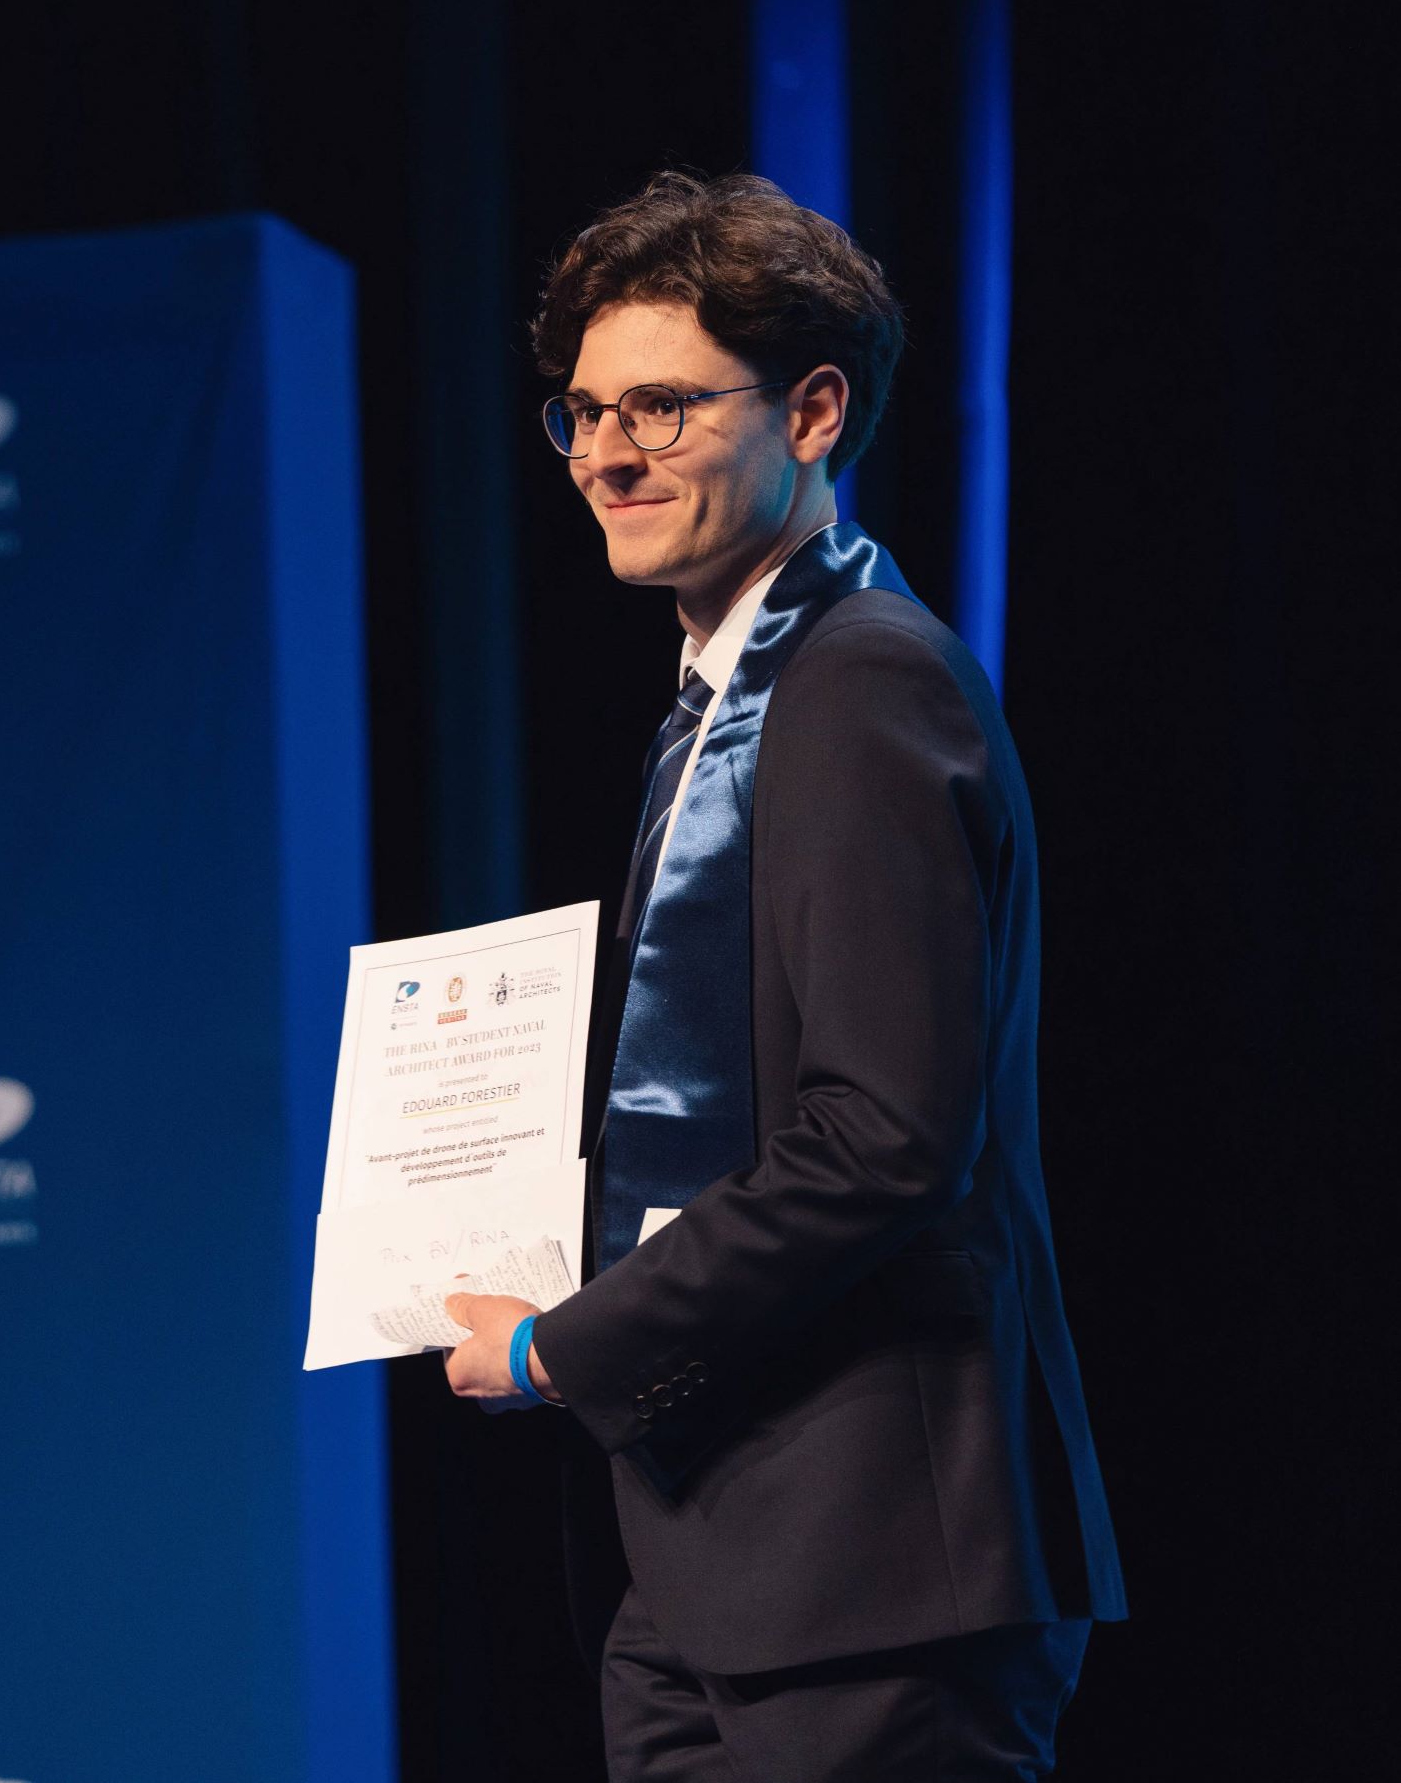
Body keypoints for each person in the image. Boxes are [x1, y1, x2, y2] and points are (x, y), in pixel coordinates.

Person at [439, 173, 1125, 1778]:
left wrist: (566, 1345)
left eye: (664, 409)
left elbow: (884, 1135)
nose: (606, 456)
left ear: (814, 410)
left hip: (874, 1573)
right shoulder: (733, 690)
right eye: (585, 413)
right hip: (723, 1560)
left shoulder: (863, 684)